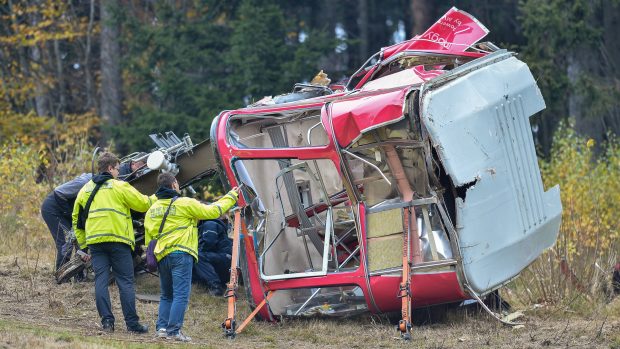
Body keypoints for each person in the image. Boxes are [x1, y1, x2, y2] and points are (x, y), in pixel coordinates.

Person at [144, 172, 238, 342]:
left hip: (162, 255)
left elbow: (149, 238)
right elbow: (213, 211)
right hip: (181, 253)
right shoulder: (184, 203)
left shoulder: (152, 209)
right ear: (173, 185)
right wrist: (232, 196)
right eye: (177, 183)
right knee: (181, 294)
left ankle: (162, 329)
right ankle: (174, 331)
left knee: (166, 295)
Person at [72, 152, 155, 334]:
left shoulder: (85, 189)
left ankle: (107, 323)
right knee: (125, 281)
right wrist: (157, 197)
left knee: (100, 281)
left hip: (96, 242)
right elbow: (142, 204)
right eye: (117, 169)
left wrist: (84, 244)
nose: (119, 172)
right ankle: (132, 325)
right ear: (110, 168)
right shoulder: (120, 186)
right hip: (118, 241)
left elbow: (76, 218)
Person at [41, 172, 92, 271]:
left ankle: (79, 275)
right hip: (53, 209)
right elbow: (59, 192)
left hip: (67, 213)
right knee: (66, 242)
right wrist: (71, 215)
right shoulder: (85, 182)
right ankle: (61, 275)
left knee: (80, 240)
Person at [193, 219, 233, 296]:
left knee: (197, 256)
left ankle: (215, 286)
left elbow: (209, 242)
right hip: (223, 262)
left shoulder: (210, 224)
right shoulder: (204, 225)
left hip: (225, 259)